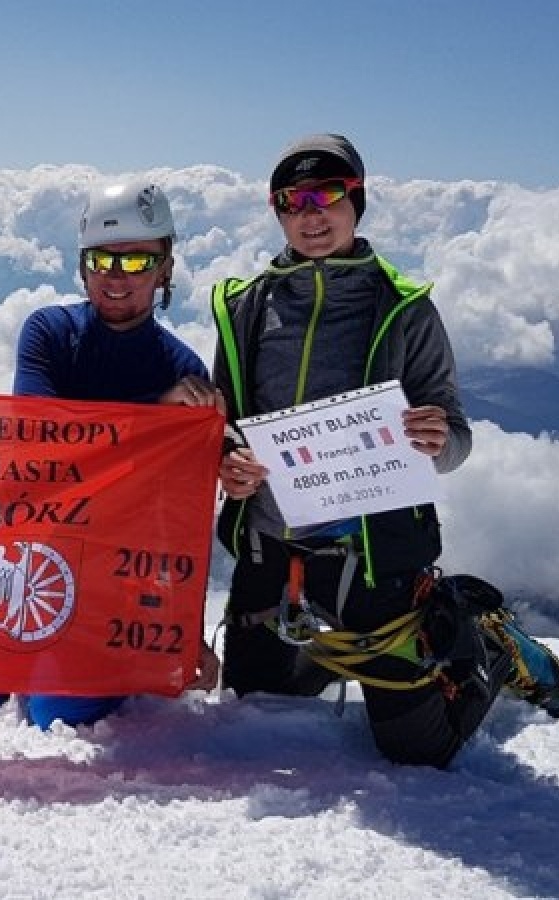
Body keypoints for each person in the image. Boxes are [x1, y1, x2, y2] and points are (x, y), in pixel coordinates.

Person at [210, 134, 491, 768]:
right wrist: (227, 457)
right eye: (293, 200)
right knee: (259, 720)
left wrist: (439, 439)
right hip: (271, 553)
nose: (311, 215)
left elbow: (456, 436)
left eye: (328, 196)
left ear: (356, 201)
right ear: (277, 211)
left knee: (415, 749)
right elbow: (222, 421)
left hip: (375, 555)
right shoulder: (248, 307)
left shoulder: (403, 309)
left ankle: (484, 640)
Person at [0, 180, 221, 728]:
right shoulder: (49, 332)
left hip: (109, 582)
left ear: (165, 269)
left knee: (57, 714)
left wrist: (182, 631)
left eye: (137, 260)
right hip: (16, 562)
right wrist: (156, 413)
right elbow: (40, 441)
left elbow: (176, 520)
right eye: (102, 258)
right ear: (83, 265)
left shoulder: (186, 372)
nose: (116, 275)